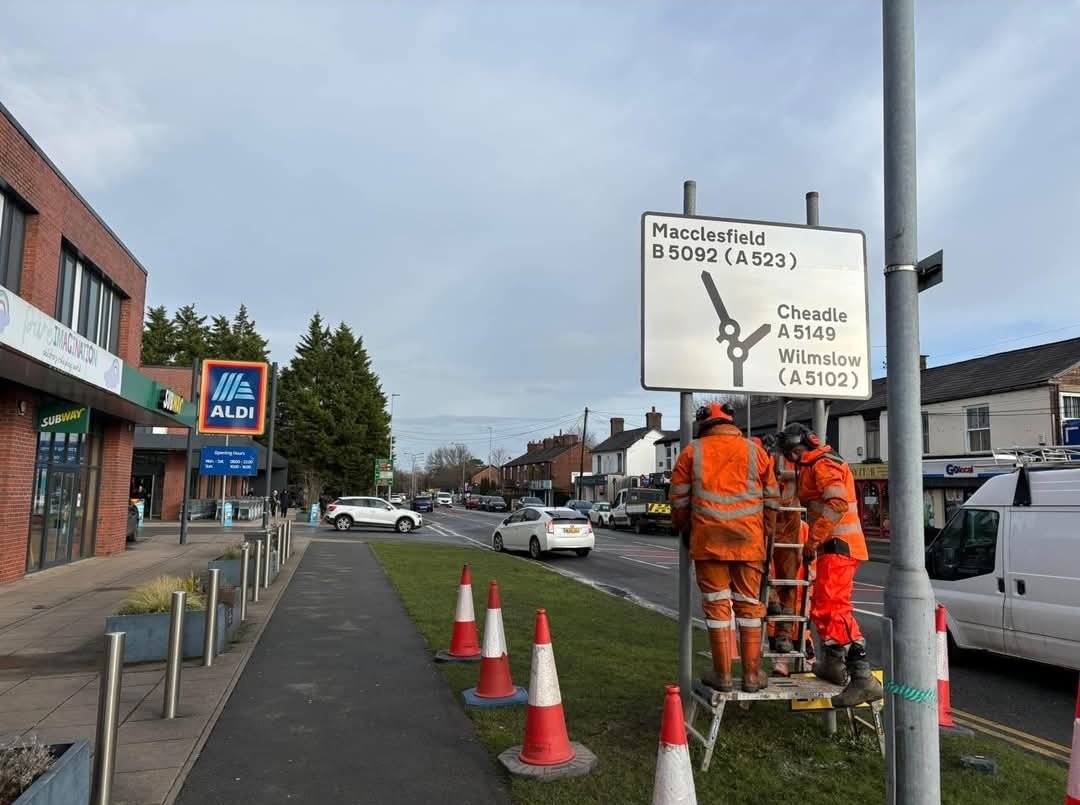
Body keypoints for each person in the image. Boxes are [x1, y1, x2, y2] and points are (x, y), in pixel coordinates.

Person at [670, 403, 779, 693]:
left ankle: (724, 676)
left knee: (718, 608)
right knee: (749, 607)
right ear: (732, 422)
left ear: (703, 424)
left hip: (709, 542)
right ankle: (753, 676)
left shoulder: (692, 453)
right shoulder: (757, 452)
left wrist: (684, 528)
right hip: (749, 542)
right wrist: (764, 534)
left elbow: (679, 500)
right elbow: (772, 500)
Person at [778, 423, 883, 707]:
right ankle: (834, 665)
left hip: (838, 546)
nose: (793, 458)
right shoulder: (816, 464)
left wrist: (812, 541)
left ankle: (863, 678)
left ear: (802, 447)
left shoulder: (823, 464)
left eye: (793, 452)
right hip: (833, 547)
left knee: (833, 608)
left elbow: (835, 504)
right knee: (823, 607)